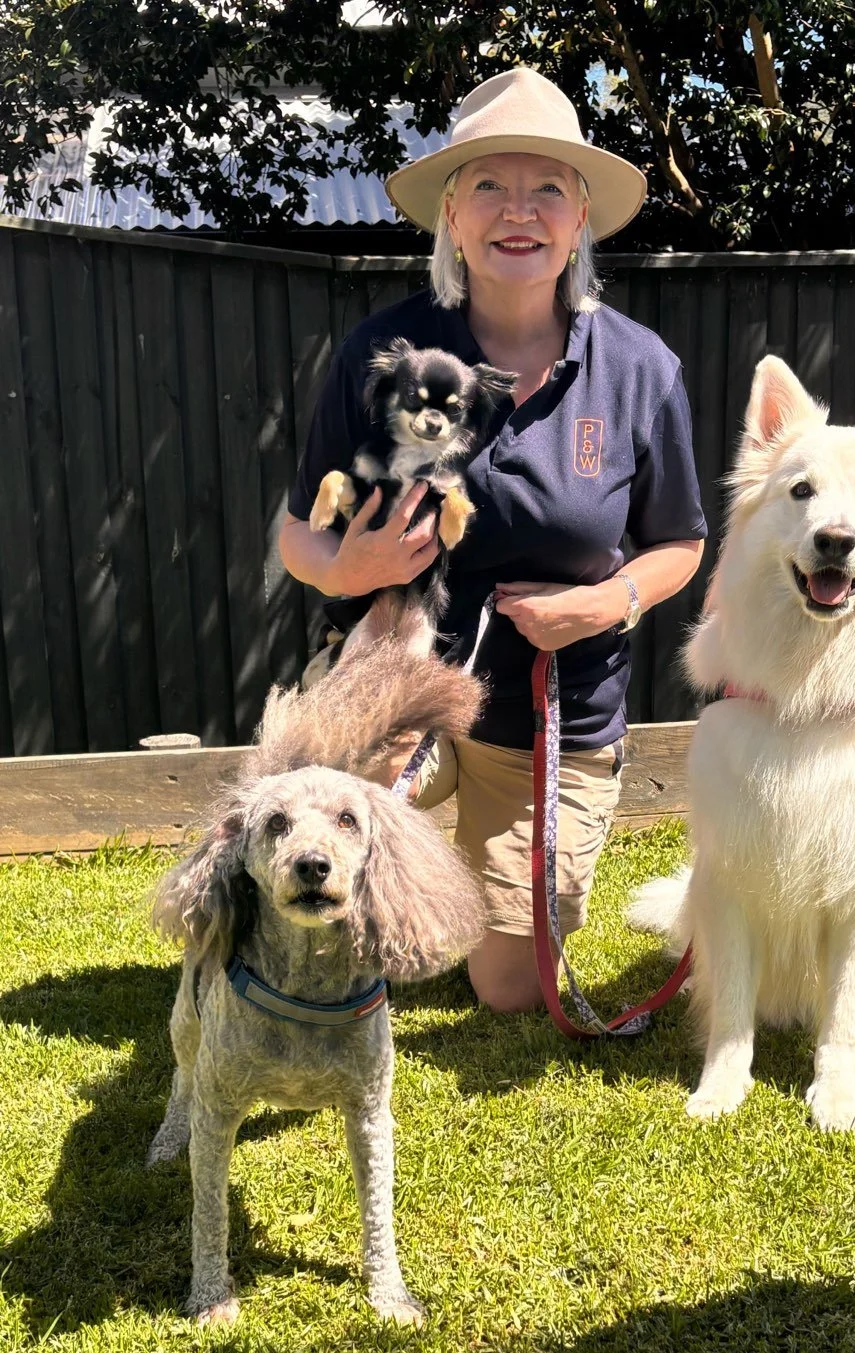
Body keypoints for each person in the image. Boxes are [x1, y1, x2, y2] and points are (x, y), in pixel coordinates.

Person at [279, 67, 707, 1015]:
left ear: (581, 213)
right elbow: (293, 532)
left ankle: (464, 864)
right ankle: (395, 851)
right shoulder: (382, 353)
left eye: (547, 187)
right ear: (453, 218)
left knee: (508, 989)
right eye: (489, 187)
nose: (519, 212)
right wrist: (345, 567)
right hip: (393, 680)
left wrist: (610, 602)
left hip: (553, 712)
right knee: (311, 912)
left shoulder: (640, 369)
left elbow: (679, 541)